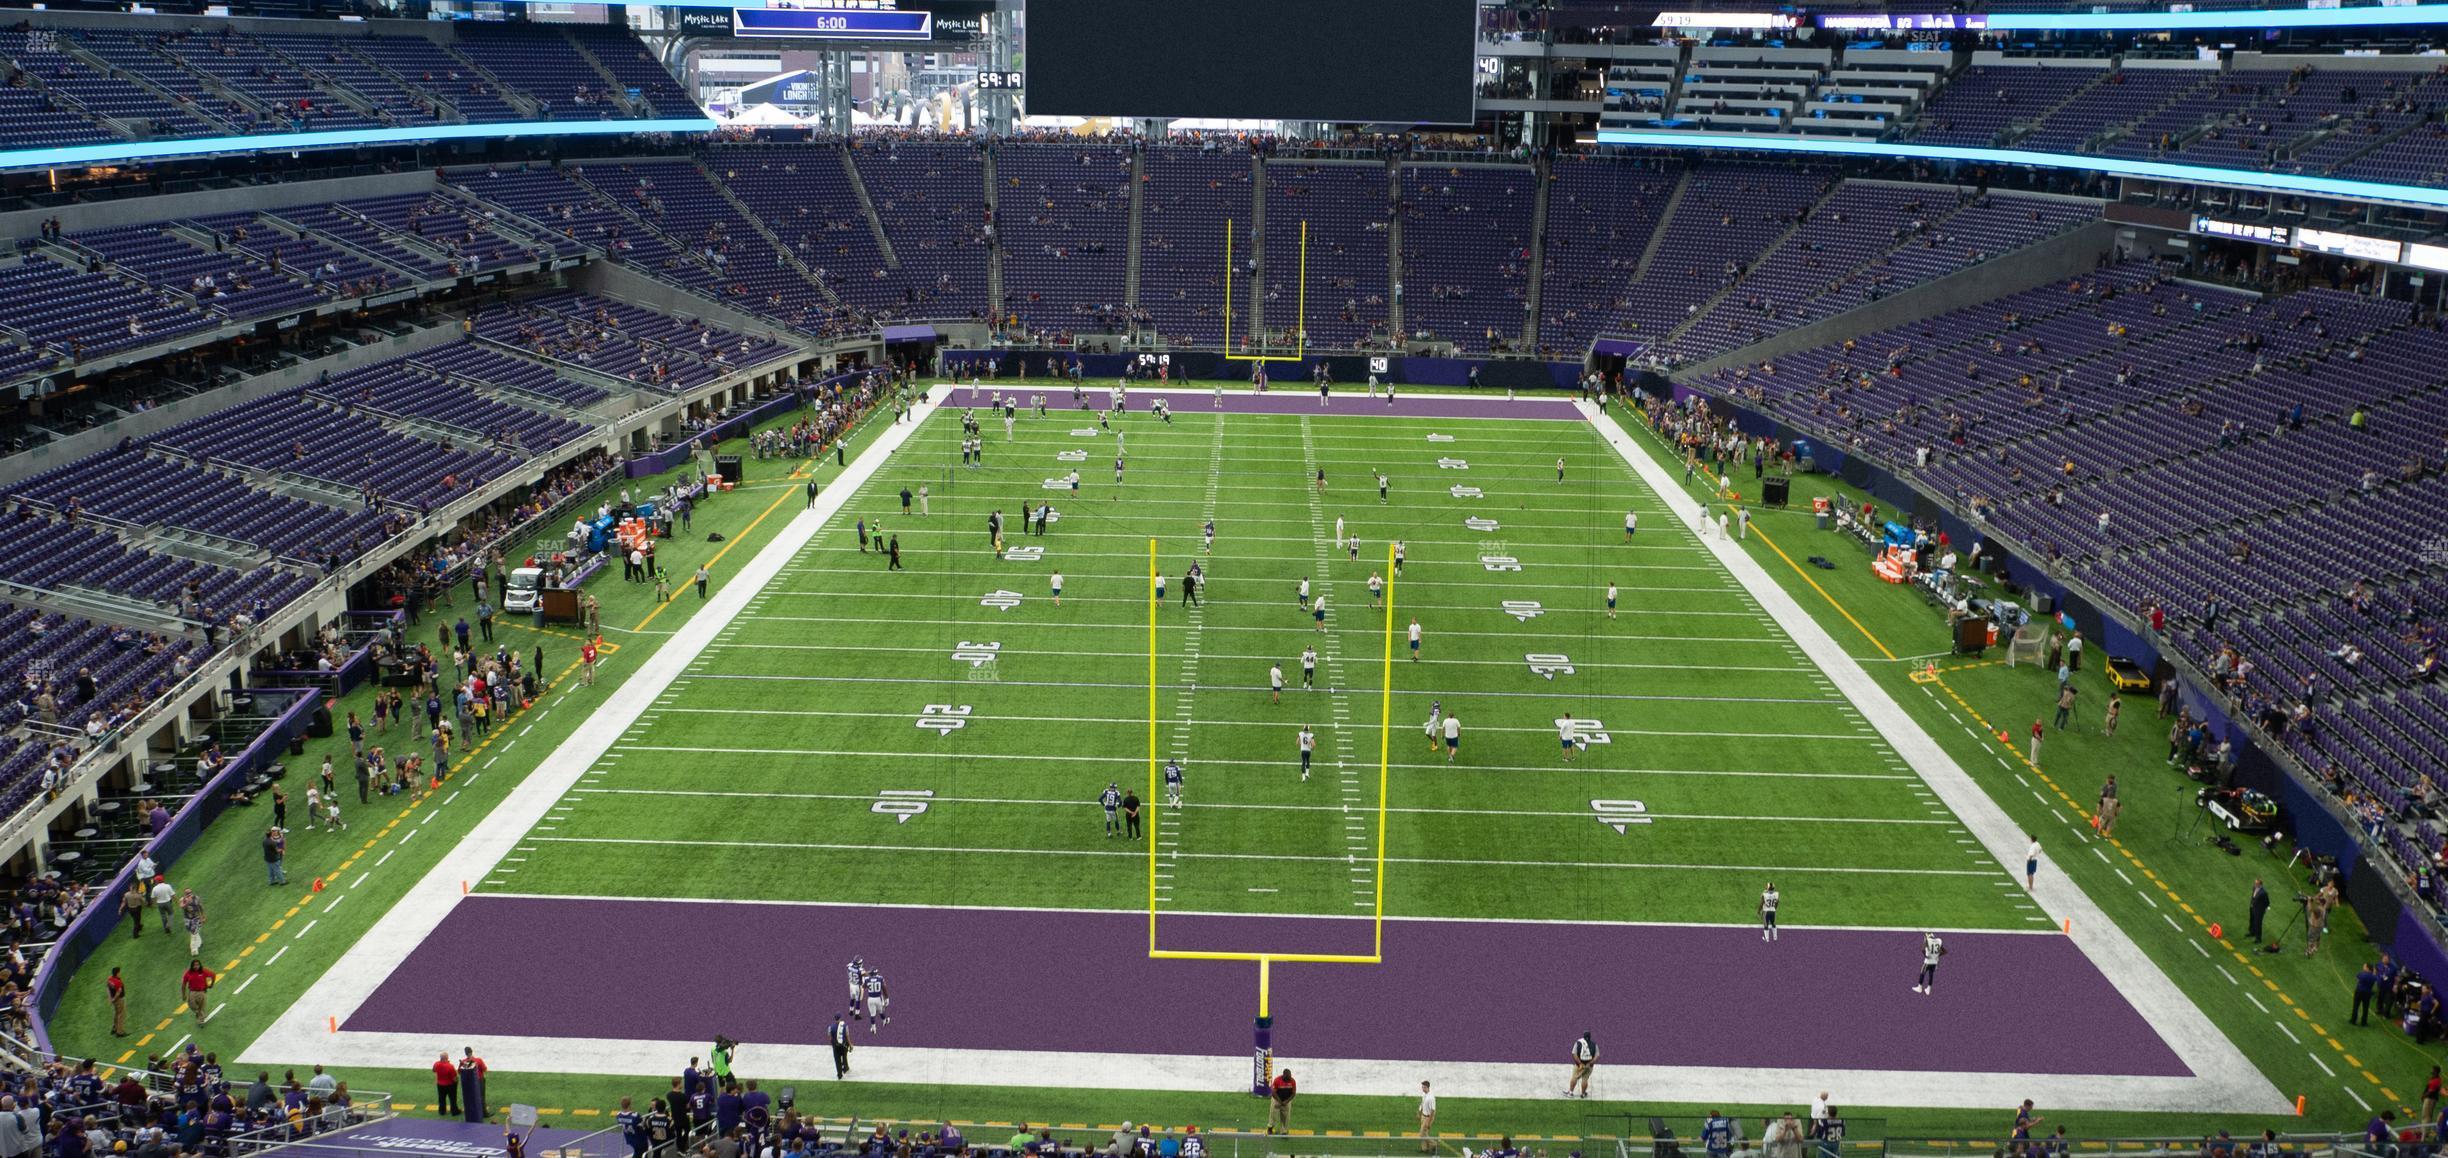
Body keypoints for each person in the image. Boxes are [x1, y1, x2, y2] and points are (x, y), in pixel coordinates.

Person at [181, 957, 216, 1023]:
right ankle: (199, 1013)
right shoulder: (188, 973)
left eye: (197, 965)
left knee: (201, 1006)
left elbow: (213, 975)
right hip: (192, 992)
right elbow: (184, 984)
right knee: (191, 1005)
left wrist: (211, 985)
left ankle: (200, 1020)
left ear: (200, 965)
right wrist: (183, 995)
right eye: (194, 965)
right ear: (192, 966)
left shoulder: (203, 971)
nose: (196, 966)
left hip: (202, 992)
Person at [1565, 1032, 1597, 1098]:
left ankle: (1570, 1092)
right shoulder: (1594, 1044)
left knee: (1575, 1077)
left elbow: (1574, 1053)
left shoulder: (1578, 1043)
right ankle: (1583, 1094)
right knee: (1585, 1079)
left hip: (1579, 1066)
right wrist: (1590, 1063)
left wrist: (1580, 1064)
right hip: (1589, 1066)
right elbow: (1597, 1055)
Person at [1267, 1069, 1297, 1134]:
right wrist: (1280, 1101)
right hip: (1276, 1100)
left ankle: (1284, 1131)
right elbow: (1273, 1093)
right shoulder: (1277, 1080)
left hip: (1286, 1101)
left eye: (1290, 1077)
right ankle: (1270, 1128)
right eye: (1288, 1078)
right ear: (1284, 1075)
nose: (1289, 1079)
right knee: (1273, 1115)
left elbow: (1293, 1093)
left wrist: (1287, 1101)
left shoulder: (1292, 1081)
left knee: (1286, 1117)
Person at [433, 1053, 459, 1118]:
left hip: (440, 1084)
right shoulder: (450, 1066)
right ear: (446, 1058)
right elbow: (454, 1078)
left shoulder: (436, 1064)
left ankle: (442, 1111)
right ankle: (454, 1111)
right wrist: (456, 1082)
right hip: (450, 1085)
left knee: (441, 1098)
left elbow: (433, 1070)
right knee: (452, 1098)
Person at [105, 967, 127, 1037]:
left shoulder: (109, 979)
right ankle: (119, 1032)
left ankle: (114, 1028)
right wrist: (114, 999)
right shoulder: (118, 982)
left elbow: (107, 988)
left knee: (116, 1013)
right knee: (121, 1014)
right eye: (119, 972)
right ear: (117, 973)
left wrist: (110, 998)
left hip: (114, 1000)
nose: (120, 973)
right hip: (119, 1000)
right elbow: (119, 992)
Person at [1415, 1081, 1436, 1154]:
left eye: (1423, 1087)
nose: (1422, 1088)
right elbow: (1422, 1103)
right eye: (1422, 1087)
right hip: (1423, 1116)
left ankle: (1434, 1144)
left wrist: (1429, 1122)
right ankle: (1425, 1149)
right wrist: (1419, 1112)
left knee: (1421, 1134)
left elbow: (1433, 1111)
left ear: (1427, 1087)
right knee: (1425, 1133)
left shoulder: (1431, 1098)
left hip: (1428, 1117)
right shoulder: (1424, 1094)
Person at [2248, 879, 2271, 944]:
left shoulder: (2263, 892)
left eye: (2256, 884)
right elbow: (2253, 897)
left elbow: (2267, 902)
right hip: (2252, 907)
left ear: (2260, 885)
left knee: (2258, 924)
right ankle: (2252, 932)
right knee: (2251, 920)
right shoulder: (2254, 888)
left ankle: (2258, 939)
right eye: (2255, 883)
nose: (2255, 884)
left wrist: (2266, 908)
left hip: (2259, 911)